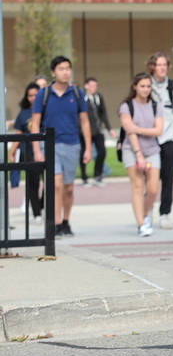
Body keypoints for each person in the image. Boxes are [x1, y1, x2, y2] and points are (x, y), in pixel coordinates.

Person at [31, 56, 92, 237]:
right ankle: (55, 223)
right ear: (53, 72)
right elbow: (35, 124)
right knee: (55, 185)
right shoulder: (43, 94)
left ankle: (66, 221)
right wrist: (36, 149)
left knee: (68, 188)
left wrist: (88, 148)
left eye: (67, 68)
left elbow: (85, 122)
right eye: (61, 69)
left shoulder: (77, 93)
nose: (65, 72)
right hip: (49, 145)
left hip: (72, 144)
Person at [119, 72, 164, 237]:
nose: (146, 89)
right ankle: (141, 224)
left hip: (152, 150)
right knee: (138, 186)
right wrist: (138, 155)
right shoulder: (126, 106)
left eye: (148, 86)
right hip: (132, 150)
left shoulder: (156, 106)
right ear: (135, 87)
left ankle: (145, 215)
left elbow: (158, 130)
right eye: (142, 86)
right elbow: (129, 132)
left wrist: (137, 129)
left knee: (152, 189)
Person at [148, 52, 173, 229]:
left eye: (164, 64)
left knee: (168, 179)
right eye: (158, 64)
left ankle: (164, 214)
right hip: (150, 140)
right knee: (150, 180)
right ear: (152, 67)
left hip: (170, 138)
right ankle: (147, 212)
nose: (162, 68)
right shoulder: (145, 85)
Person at [10, 82, 43, 222]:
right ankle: (37, 213)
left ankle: (42, 205)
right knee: (33, 183)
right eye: (30, 95)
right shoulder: (23, 114)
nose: (33, 98)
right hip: (28, 153)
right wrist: (12, 152)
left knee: (51, 182)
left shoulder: (46, 110)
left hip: (45, 151)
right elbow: (18, 134)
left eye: (36, 95)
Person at [80, 77, 113, 186]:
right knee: (83, 154)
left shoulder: (99, 97)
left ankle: (97, 175)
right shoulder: (81, 98)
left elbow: (104, 114)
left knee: (102, 152)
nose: (94, 88)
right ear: (86, 86)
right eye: (91, 85)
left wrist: (109, 128)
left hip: (97, 130)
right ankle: (84, 177)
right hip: (84, 131)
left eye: (95, 86)